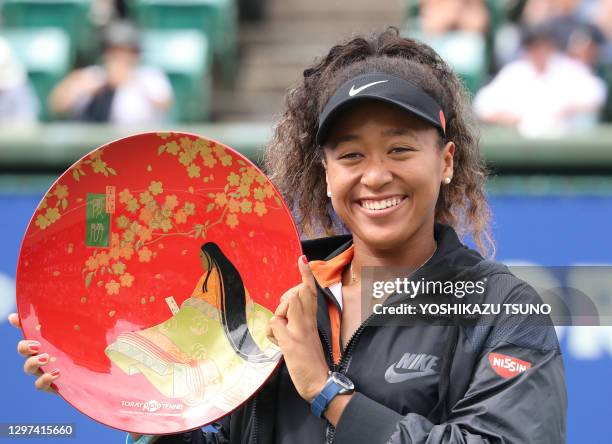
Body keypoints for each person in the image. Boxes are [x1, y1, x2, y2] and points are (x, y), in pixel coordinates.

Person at [10, 28, 566, 443]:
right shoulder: (265, 293)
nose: (375, 175)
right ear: (325, 174)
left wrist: (326, 392)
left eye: (400, 149)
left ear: (446, 162)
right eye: (350, 155)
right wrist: (137, 406)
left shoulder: (501, 309)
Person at [474, 24, 607, 137]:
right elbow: (482, 104)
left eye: (544, 45)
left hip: (566, 145)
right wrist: (510, 118)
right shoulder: (515, 72)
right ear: (527, 49)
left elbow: (597, 93)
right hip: (524, 148)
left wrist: (570, 107)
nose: (540, 51)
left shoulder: (567, 69)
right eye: (535, 46)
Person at [48, 20, 173, 125]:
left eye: (127, 51)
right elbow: (57, 105)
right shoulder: (94, 75)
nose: (120, 57)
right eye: (114, 51)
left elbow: (165, 105)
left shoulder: (149, 76)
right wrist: (85, 86)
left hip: (137, 142)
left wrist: (130, 80)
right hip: (94, 144)